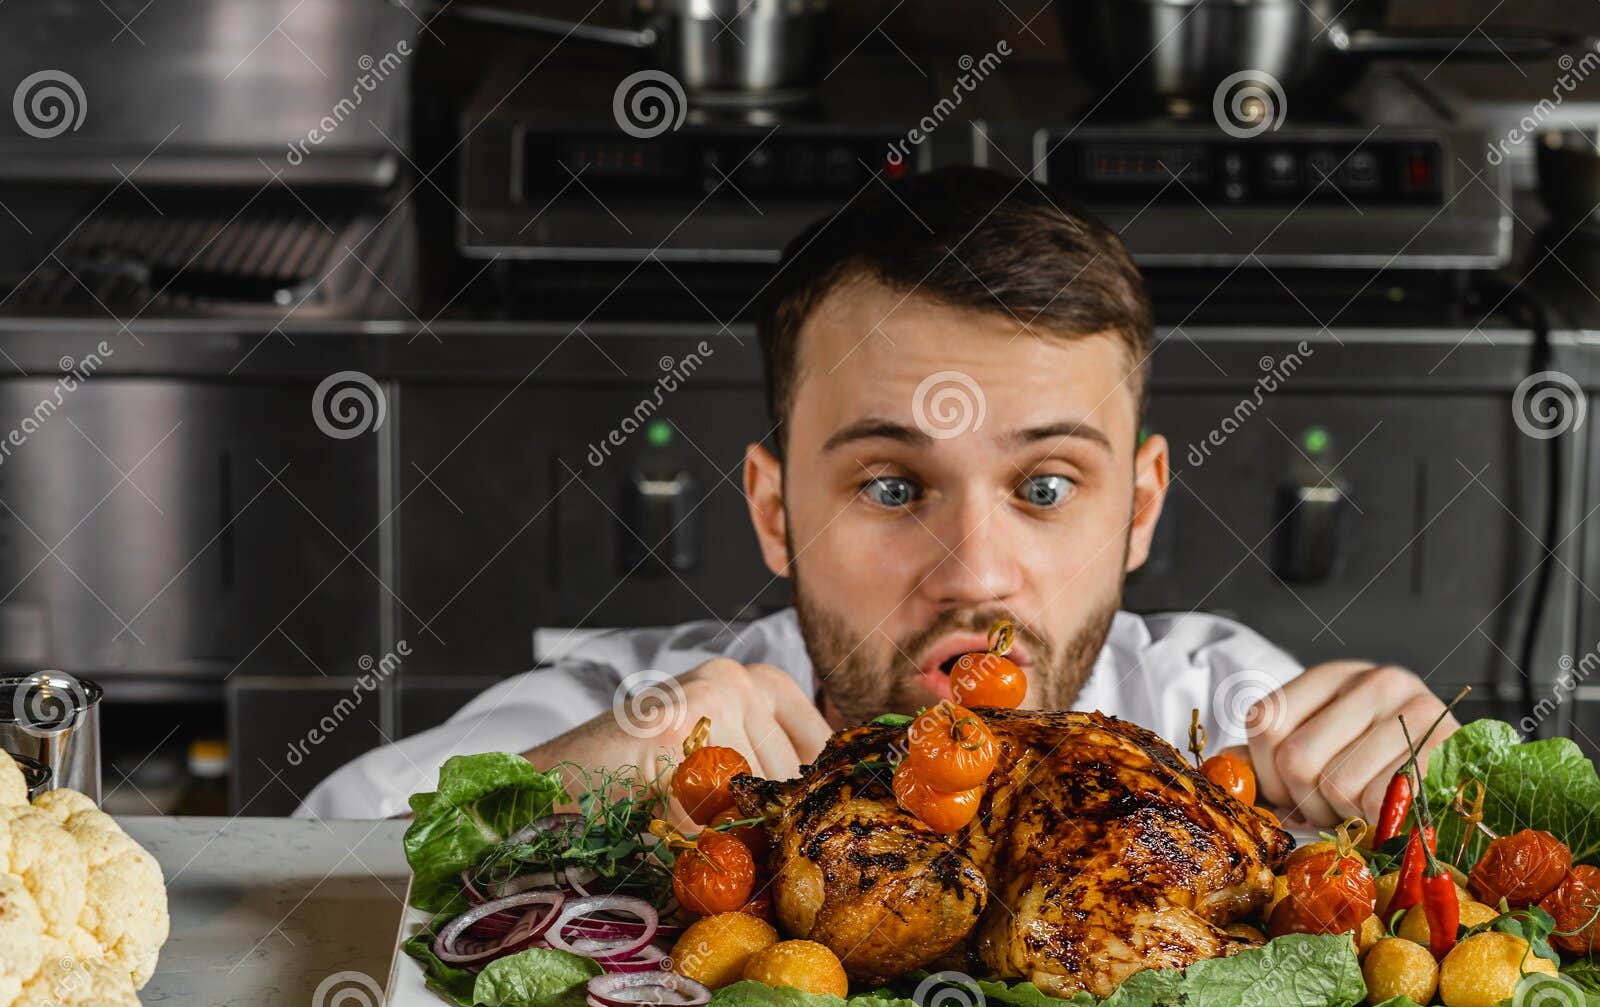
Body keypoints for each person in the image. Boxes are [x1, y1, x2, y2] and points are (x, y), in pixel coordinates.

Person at [299, 166, 1457, 826]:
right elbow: (305, 867)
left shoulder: (1233, 723)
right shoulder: (641, 714)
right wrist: (547, 813)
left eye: (1045, 485)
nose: (975, 571)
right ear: (773, 508)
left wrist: (1454, 804)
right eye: (893, 484)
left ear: (1139, 508)